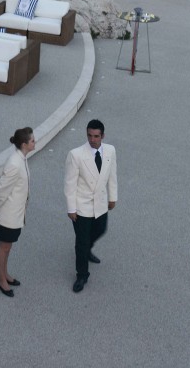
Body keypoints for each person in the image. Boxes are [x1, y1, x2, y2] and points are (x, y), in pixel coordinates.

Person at [64, 119, 117, 293]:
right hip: (82, 206)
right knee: (81, 242)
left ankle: (87, 250)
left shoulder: (110, 150)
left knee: (101, 230)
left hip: (101, 203)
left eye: (96, 136)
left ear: (103, 136)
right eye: (89, 135)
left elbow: (112, 175)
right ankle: (82, 275)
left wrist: (112, 197)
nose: (92, 139)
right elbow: (69, 184)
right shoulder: (76, 154)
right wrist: (71, 209)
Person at [0, 127, 34, 297]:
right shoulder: (15, 162)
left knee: (8, 246)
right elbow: (1, 188)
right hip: (8, 214)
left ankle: (4, 273)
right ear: (24, 144)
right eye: (32, 141)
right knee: (4, 246)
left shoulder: (21, 158)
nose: (34, 142)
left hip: (15, 213)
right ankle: (1, 279)